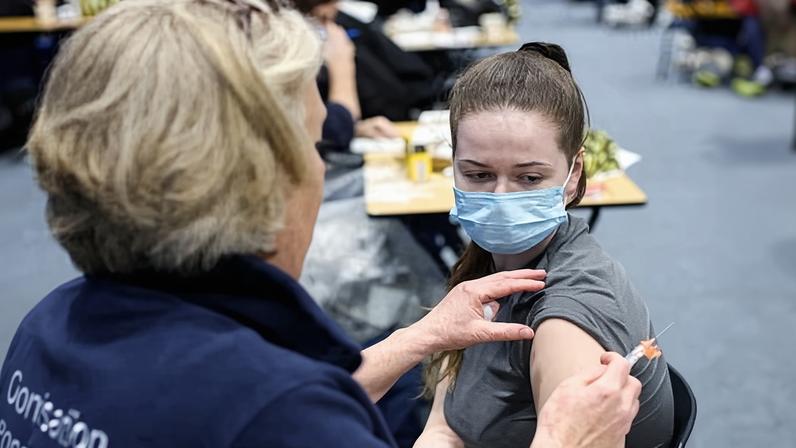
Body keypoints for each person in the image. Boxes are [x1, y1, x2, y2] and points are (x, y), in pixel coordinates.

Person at [0, 2, 640, 447]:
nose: (320, 168)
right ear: (255, 183)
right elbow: (266, 413)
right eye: (315, 145)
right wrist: (565, 439)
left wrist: (413, 341)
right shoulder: (280, 413)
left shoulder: (46, 326)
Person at [421, 43, 675, 448]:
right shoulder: (489, 266)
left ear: (573, 172)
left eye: (529, 178)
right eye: (478, 174)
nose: (501, 197)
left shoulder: (564, 321)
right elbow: (445, 423)